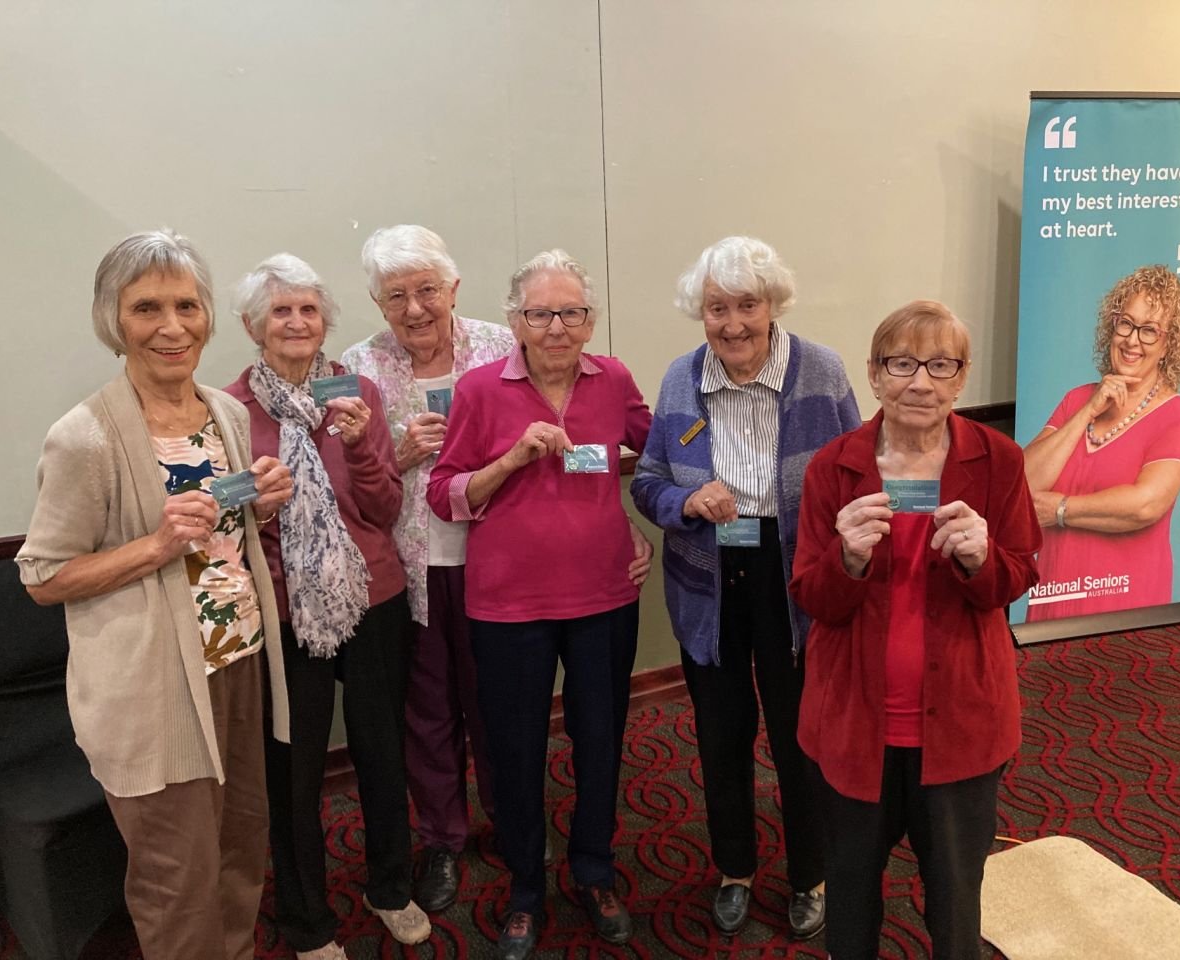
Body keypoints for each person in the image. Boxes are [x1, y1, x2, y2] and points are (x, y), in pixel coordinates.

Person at [15, 230, 293, 960]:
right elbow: (42, 577)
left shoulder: (223, 414)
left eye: (186, 305)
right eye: (146, 308)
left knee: (239, 848)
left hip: (235, 664)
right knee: (176, 881)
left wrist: (259, 505)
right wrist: (156, 546)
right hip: (154, 689)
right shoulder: (85, 438)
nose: (171, 327)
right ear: (115, 320)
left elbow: (217, 537)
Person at [790, 300, 1040, 960]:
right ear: (874, 374)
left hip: (961, 727)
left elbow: (1016, 580)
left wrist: (984, 557)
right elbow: (813, 598)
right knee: (850, 896)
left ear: (961, 378)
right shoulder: (833, 467)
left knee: (957, 899)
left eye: (940, 365)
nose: (920, 382)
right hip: (852, 728)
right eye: (902, 363)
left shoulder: (999, 462)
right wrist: (845, 559)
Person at [631, 236, 860, 939]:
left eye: (747, 306)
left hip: (794, 572)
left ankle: (809, 874)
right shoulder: (680, 379)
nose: (733, 324)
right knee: (720, 733)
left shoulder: (821, 372)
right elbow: (647, 481)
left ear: (773, 305)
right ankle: (735, 868)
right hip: (709, 575)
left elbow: (856, 474)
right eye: (716, 308)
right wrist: (684, 506)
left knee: (802, 737)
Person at [426, 249, 653, 960]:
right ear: (514, 321)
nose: (556, 326)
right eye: (540, 313)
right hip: (507, 607)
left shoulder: (613, 380)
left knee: (600, 742)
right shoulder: (481, 391)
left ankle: (593, 868)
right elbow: (446, 492)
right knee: (517, 751)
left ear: (590, 321)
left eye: (571, 312)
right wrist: (515, 458)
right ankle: (526, 886)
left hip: (604, 597)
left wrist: (634, 525)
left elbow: (649, 453)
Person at [225, 254, 429, 957]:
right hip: (284, 612)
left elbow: (383, 506)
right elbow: (223, 522)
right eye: (280, 310)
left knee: (381, 754)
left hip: (373, 598)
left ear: (325, 322)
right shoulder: (226, 410)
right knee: (295, 771)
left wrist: (362, 448)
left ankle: (390, 887)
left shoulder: (355, 391)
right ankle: (308, 921)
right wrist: (256, 500)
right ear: (254, 325)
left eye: (309, 309)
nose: (296, 321)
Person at [341, 225, 512, 911]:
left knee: (499, 701)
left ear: (454, 289)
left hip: (497, 560)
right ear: (378, 304)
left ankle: (509, 819)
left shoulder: (503, 347)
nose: (414, 309)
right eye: (395, 297)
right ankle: (442, 836)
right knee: (428, 712)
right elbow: (342, 487)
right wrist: (403, 455)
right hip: (407, 568)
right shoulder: (358, 368)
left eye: (426, 291)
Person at [1022, 266, 1180, 622]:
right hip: (1056, 593)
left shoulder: (1174, 414)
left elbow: (1145, 505)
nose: (1133, 340)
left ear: (1167, 345)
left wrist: (1060, 510)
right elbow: (1022, 482)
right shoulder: (1077, 399)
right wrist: (1087, 412)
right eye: (1126, 324)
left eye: (1150, 331)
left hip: (1126, 605)